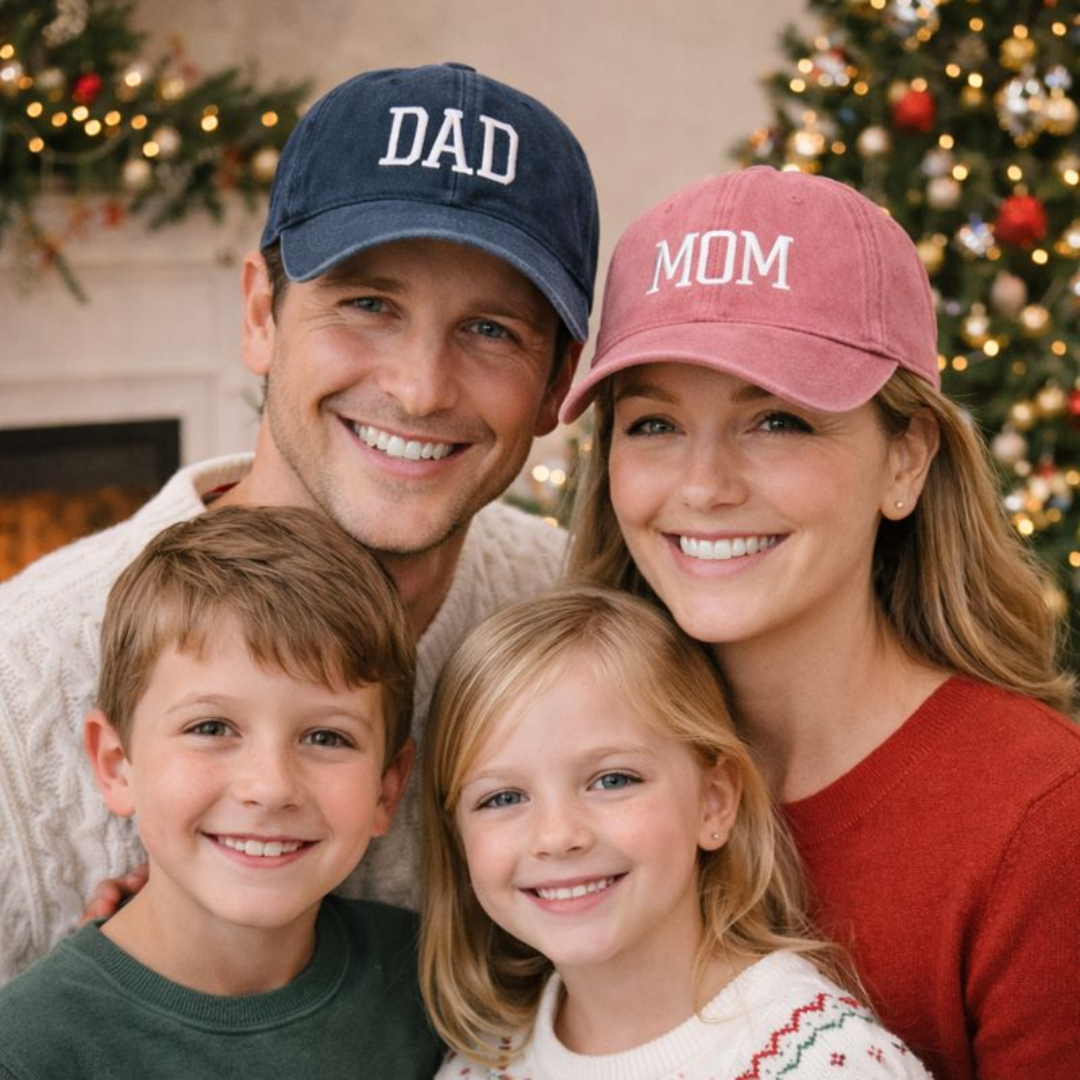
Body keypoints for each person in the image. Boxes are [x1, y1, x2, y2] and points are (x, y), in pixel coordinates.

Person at [0, 61, 599, 982]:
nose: (418, 387)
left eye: (491, 331)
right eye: (367, 304)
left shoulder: (577, 612)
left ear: (558, 386)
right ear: (260, 315)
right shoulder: (19, 688)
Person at [561, 166, 1080, 1080]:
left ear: (905, 461)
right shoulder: (560, 774)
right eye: (653, 425)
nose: (704, 486)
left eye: (778, 422)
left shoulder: (1042, 824)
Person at [419, 584, 932, 1078]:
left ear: (714, 803)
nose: (557, 835)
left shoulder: (822, 1061)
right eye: (502, 798)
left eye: (612, 780)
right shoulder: (482, 1064)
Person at [0, 505, 443, 1078]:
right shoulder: (28, 1051)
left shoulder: (430, 981)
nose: (271, 787)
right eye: (211, 728)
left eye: (326, 736)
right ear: (116, 765)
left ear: (387, 788)